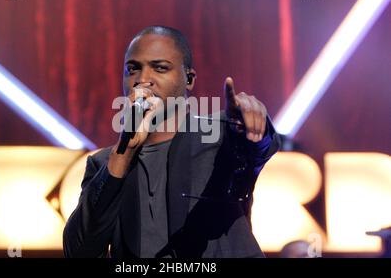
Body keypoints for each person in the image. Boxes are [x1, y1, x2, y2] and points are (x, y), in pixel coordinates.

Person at [63, 26, 281, 258]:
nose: (143, 80)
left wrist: (254, 124)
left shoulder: (219, 135)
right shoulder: (106, 164)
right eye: (132, 69)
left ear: (188, 79)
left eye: (160, 68)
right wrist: (124, 151)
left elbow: (259, 147)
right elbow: (78, 252)